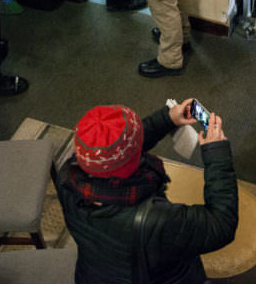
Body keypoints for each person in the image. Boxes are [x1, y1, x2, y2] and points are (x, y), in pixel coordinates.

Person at [56, 100, 238, 284]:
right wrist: (217, 155)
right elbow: (221, 225)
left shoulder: (67, 178)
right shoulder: (155, 220)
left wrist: (167, 119)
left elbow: (117, 153)